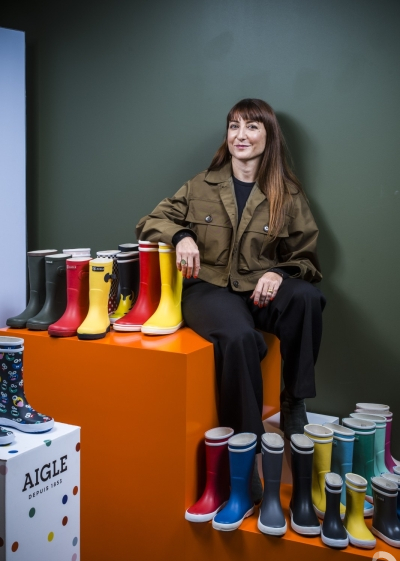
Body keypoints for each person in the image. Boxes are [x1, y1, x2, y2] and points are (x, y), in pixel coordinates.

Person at [136, 98, 326, 499]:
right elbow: (151, 221)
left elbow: (307, 258)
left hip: (258, 286)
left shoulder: (287, 194)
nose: (241, 135)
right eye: (234, 126)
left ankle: (293, 404)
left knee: (306, 298)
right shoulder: (201, 185)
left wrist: (279, 272)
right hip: (208, 288)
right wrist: (181, 235)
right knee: (239, 339)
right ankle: (247, 445)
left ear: (268, 136)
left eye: (252, 126)